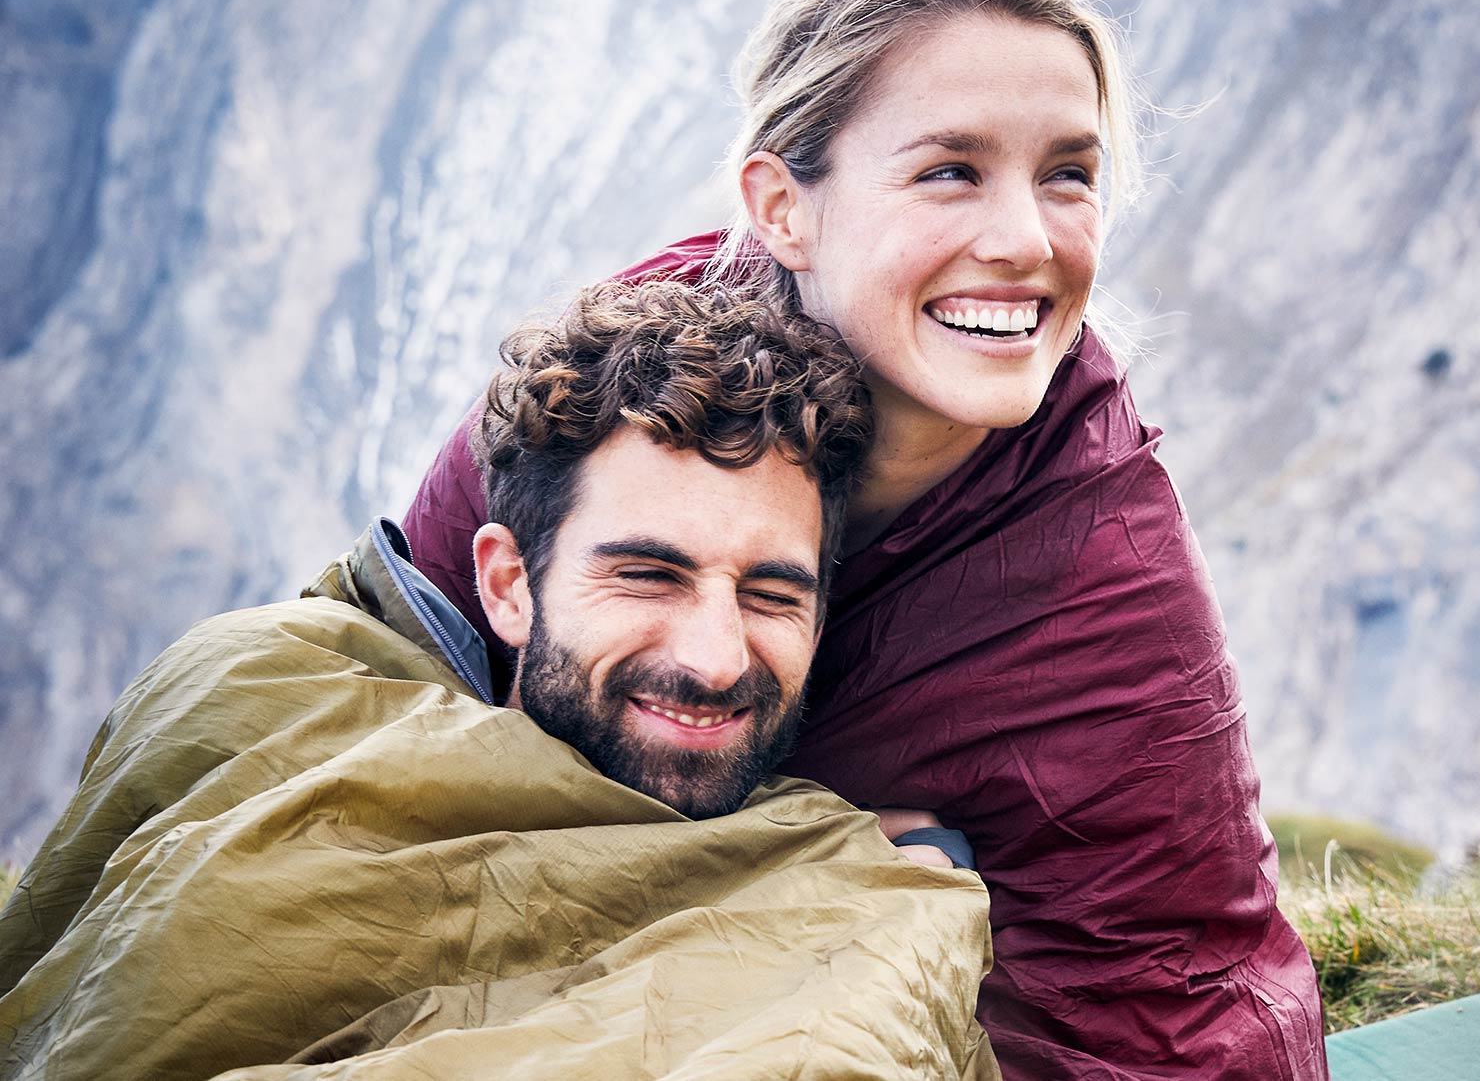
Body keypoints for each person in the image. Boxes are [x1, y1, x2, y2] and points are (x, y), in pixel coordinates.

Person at [403, 0, 1329, 1081]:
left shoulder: (1100, 568)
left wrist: (853, 899)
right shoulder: (627, 365)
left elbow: (1175, 1006)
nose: (1023, 239)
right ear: (783, 208)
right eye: (950, 170)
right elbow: (386, 669)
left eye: (1068, 177)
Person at [0, 282, 997, 1080]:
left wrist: (876, 901)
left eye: (772, 595)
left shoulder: (866, 899)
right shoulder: (268, 698)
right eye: (647, 573)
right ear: (507, 583)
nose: (713, 656)